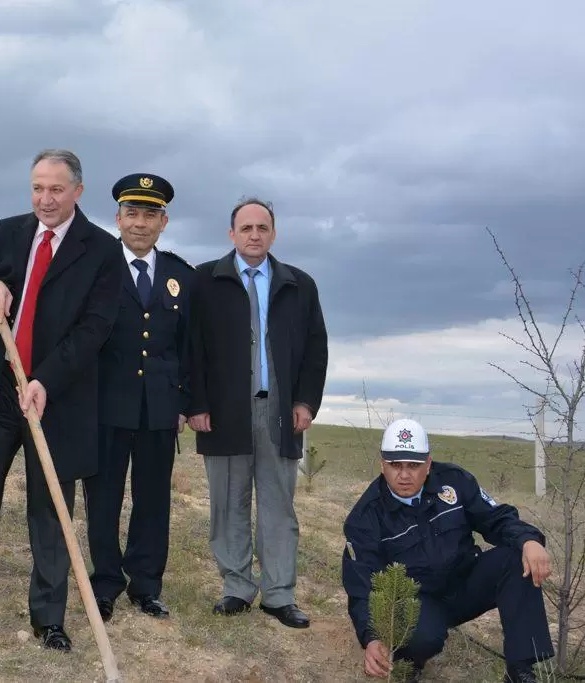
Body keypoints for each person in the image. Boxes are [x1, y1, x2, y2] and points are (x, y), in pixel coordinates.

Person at [0, 149, 121, 653]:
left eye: (56, 189)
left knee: (49, 508)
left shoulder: (100, 249)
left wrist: (46, 380)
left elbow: (95, 328)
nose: (45, 199)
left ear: (78, 190)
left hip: (57, 397)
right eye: (37, 188)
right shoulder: (8, 232)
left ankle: (48, 616)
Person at [186, 197, 328, 627]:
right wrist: (195, 404)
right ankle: (236, 587)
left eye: (262, 228)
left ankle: (279, 594)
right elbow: (189, 348)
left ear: (273, 233)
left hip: (280, 412)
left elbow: (316, 350)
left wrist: (305, 402)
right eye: (245, 228)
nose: (254, 235)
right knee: (228, 502)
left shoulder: (299, 284)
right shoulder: (205, 280)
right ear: (231, 234)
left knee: (278, 505)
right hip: (224, 411)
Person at [342, 419, 553, 683]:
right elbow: (361, 587)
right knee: (419, 635)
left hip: (465, 582)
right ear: (382, 464)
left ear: (428, 464)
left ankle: (520, 671)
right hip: (419, 601)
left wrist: (528, 540)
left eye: (414, 465)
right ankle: (409, 663)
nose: (404, 475)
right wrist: (371, 637)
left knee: (515, 558)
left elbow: (495, 518)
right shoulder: (365, 517)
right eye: (395, 465)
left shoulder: (454, 481)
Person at [83, 173, 193, 622]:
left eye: (150, 214)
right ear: (118, 218)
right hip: (107, 405)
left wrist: (186, 402)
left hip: (159, 409)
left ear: (163, 221)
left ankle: (146, 585)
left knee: (153, 499)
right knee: (104, 498)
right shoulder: (96, 267)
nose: (141, 223)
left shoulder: (181, 275)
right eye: (132, 213)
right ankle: (106, 582)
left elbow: (190, 347)